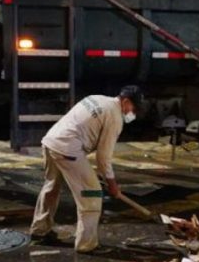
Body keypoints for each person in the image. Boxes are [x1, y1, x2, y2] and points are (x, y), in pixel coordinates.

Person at [30, 86, 143, 252]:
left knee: (51, 187)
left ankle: (40, 230)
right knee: (92, 193)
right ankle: (87, 245)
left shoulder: (97, 97)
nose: (132, 113)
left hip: (51, 141)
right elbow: (103, 158)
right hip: (68, 150)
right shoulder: (115, 117)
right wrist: (112, 183)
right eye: (133, 108)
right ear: (126, 101)